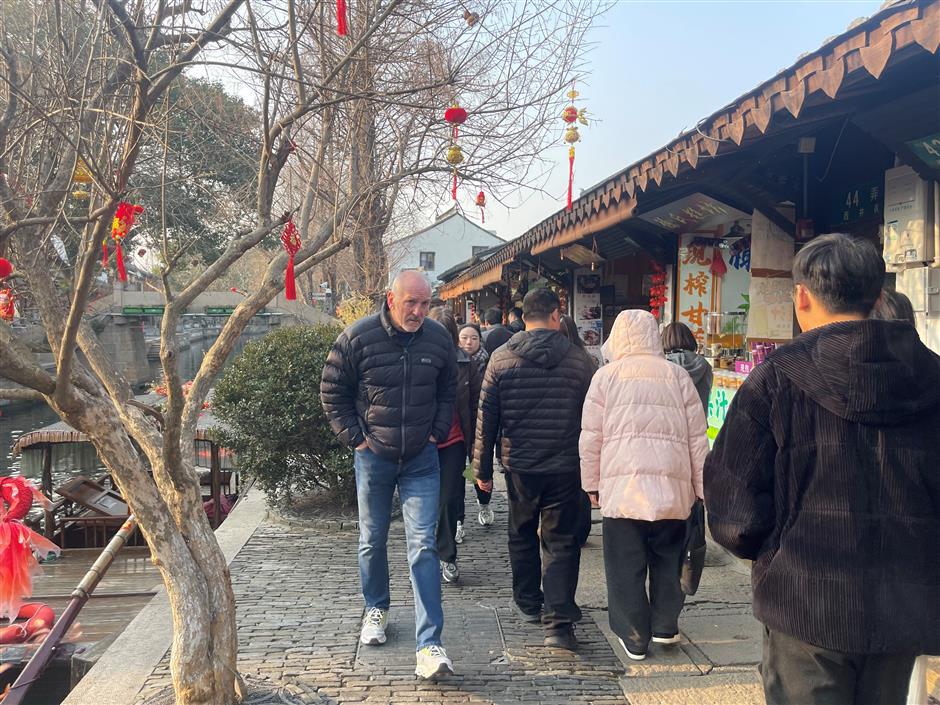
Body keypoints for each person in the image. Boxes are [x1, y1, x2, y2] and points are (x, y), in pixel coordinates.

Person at [704, 233, 940, 705]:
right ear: (877, 297)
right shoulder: (932, 375)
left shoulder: (778, 377)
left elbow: (734, 505)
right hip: (904, 599)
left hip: (805, 602)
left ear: (802, 296)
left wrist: (772, 552)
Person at [319, 270, 457, 679]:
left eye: (425, 303)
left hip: (420, 457)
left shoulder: (437, 339)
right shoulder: (357, 337)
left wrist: (435, 433)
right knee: (371, 538)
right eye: (410, 302)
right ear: (390, 299)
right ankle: (376, 607)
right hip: (373, 455)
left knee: (423, 547)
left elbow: (449, 389)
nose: (418, 311)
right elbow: (331, 390)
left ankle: (430, 645)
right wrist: (356, 439)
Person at [580, 310, 707, 662]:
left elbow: (591, 438)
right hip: (673, 489)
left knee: (625, 564)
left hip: (623, 489)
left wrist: (591, 483)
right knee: (669, 557)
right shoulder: (678, 376)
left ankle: (634, 636)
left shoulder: (606, 377)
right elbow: (698, 437)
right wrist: (701, 486)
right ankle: (666, 626)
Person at [473, 287, 595, 650]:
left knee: (521, 531)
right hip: (565, 465)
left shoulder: (500, 358)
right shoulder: (579, 360)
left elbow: (486, 418)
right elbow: (592, 420)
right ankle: (558, 622)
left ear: (522, 317)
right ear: (556, 316)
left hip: (519, 464)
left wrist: (480, 470)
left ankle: (528, 602)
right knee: (561, 540)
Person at [455, 324, 494, 533]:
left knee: (478, 469)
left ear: (480, 341)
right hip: (458, 430)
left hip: (479, 428)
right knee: (457, 476)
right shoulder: (453, 362)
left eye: (474, 338)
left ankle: (484, 503)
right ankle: (458, 521)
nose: (469, 342)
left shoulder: (488, 362)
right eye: (464, 338)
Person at [661, 321, 713, 413]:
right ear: (690, 339)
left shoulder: (661, 365)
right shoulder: (704, 364)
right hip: (698, 423)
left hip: (668, 422)